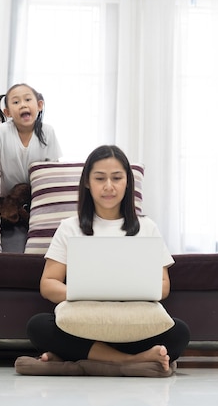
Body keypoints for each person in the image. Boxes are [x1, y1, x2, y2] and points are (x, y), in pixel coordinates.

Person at [26, 145, 190, 372]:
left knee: (179, 332)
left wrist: (126, 294)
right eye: (100, 178)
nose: (108, 186)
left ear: (127, 182)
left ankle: (81, 357)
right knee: (38, 326)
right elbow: (48, 283)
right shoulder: (69, 228)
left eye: (116, 178)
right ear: (87, 182)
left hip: (132, 323)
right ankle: (130, 361)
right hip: (83, 322)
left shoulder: (147, 227)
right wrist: (86, 293)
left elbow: (163, 286)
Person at [0, 83, 62, 196]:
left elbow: (54, 170)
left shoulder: (48, 131)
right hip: (8, 199)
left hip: (38, 196)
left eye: (27, 99)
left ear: (39, 105)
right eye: (16, 102)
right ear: (8, 112)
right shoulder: (2, 132)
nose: (23, 105)